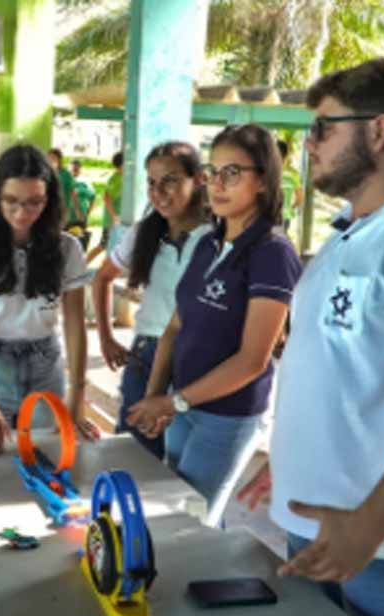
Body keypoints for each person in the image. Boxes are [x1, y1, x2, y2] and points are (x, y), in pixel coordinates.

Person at [238, 57, 384, 616]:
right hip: (316, 520)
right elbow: (340, 366)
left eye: (322, 129)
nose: (308, 145)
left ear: (379, 130)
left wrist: (369, 527)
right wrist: (291, 461)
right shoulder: (350, 226)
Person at [127, 124, 301, 526]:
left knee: (189, 518)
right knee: (182, 506)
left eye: (232, 173)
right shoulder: (207, 242)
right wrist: (156, 397)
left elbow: (253, 360)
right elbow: (174, 327)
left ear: (262, 180)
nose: (217, 185)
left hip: (227, 413)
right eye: (213, 172)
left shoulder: (272, 252)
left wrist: (173, 402)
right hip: (182, 404)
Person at [0, 144, 101, 453]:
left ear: (49, 201)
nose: (23, 213)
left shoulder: (68, 249)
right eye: (11, 201)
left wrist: (76, 396)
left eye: (35, 202)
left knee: (51, 453)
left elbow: (75, 326)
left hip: (46, 363)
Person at [92, 142, 212, 460]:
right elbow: (102, 277)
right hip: (147, 357)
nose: (158, 191)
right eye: (151, 182)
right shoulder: (146, 233)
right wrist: (105, 338)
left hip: (198, 362)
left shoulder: (217, 236)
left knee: (186, 472)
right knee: (133, 459)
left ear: (198, 179)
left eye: (170, 180)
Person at [86, 151, 123, 264]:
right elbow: (107, 198)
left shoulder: (123, 178)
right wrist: (113, 217)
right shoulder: (116, 179)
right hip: (112, 221)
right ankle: (81, 265)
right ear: (121, 166)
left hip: (117, 220)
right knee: (104, 245)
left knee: (110, 246)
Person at [277, 139, 303, 237]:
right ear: (286, 155)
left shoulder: (266, 173)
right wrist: (290, 208)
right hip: (284, 215)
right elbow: (300, 198)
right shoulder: (293, 175)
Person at [46, 147, 80, 224]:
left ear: (59, 160)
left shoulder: (66, 174)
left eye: (53, 158)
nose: (50, 160)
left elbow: (73, 193)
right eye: (48, 158)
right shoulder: (44, 173)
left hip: (62, 210)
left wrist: (78, 212)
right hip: (47, 209)